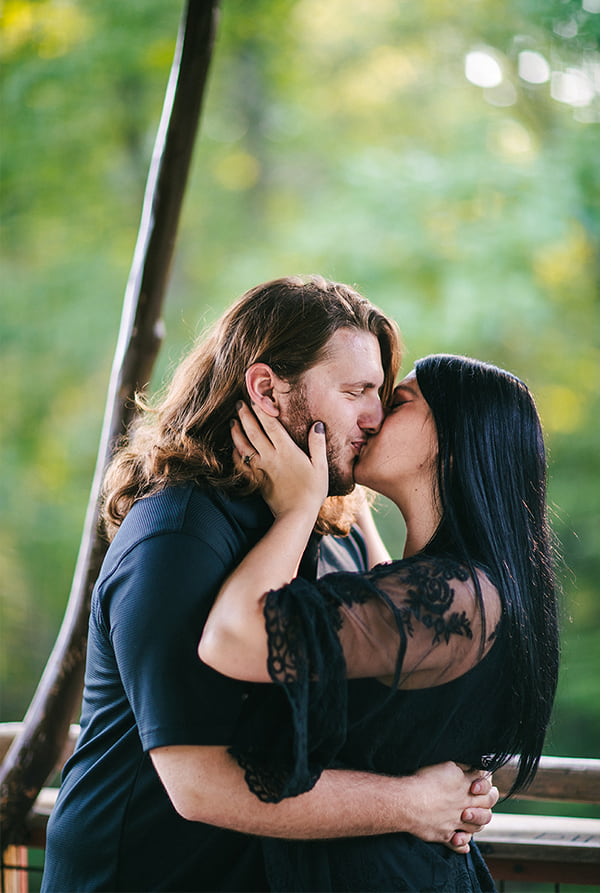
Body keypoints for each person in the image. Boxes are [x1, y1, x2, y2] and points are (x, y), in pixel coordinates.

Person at [44, 277, 498, 892]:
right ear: (266, 389)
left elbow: (382, 688)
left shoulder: (334, 523)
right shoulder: (178, 534)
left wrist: (457, 783)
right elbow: (199, 786)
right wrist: (412, 804)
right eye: (355, 391)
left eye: (382, 395)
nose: (374, 416)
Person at [197, 353, 561, 891]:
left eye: (399, 402)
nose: (372, 416)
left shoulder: (454, 597)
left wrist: (300, 508)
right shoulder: (461, 585)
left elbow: (231, 640)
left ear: (456, 442)